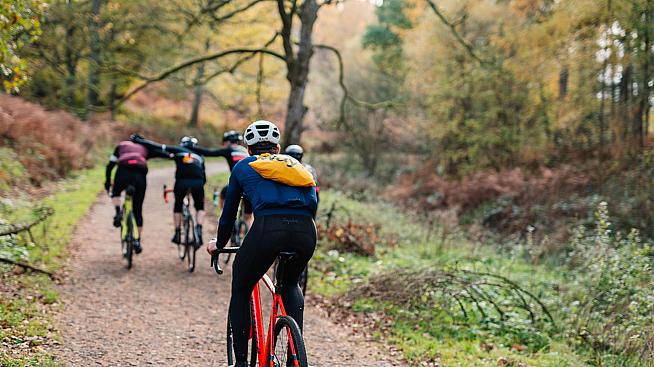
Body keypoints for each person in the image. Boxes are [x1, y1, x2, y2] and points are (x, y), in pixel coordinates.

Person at [207, 120, 318, 367]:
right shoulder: (297, 166)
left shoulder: (244, 166)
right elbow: (312, 203)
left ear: (248, 149)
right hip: (306, 231)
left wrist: (220, 243)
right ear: (278, 148)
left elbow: (229, 215)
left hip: (269, 228)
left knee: (242, 286)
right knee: (290, 284)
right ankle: (294, 358)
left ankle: (241, 363)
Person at [130, 134, 232, 247]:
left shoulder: (178, 150)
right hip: (198, 183)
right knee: (199, 207)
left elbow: (158, 146)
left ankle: (177, 232)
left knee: (178, 205)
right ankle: (198, 229)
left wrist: (140, 141)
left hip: (181, 182)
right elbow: (204, 176)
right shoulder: (200, 156)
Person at [104, 138, 167, 253]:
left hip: (123, 171)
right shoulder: (144, 148)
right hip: (139, 173)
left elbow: (110, 165)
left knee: (116, 192)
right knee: (137, 209)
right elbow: (161, 153)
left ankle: (118, 212)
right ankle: (137, 240)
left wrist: (108, 182)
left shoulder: (121, 145)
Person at [215, 131, 253, 228]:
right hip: (249, 188)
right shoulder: (246, 151)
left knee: (223, 195)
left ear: (228, 142)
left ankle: (224, 216)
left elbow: (210, 153)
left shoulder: (229, 150)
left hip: (236, 187)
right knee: (249, 217)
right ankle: (250, 233)